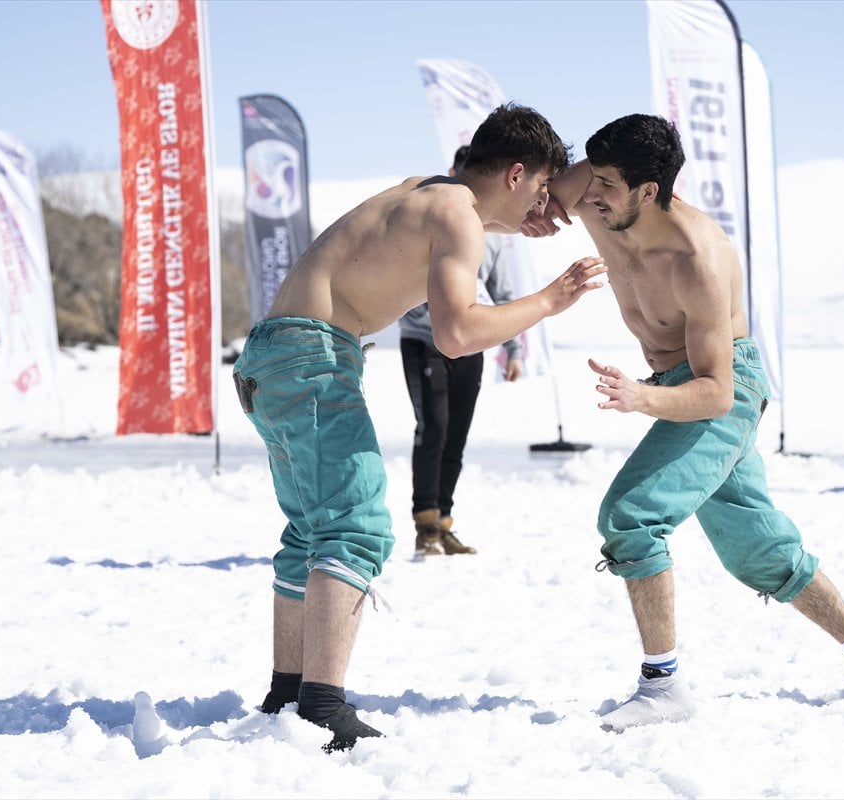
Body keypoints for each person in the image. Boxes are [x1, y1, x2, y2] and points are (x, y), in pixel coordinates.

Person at [232, 103, 606, 752]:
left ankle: (288, 692)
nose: (545, 203)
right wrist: (549, 300)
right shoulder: (459, 218)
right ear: (516, 173)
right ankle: (320, 704)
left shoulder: (428, 192)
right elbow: (456, 334)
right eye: (542, 188)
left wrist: (518, 219)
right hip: (312, 360)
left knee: (311, 532)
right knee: (354, 528)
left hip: (272, 357)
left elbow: (471, 221)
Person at [521, 114, 844, 732]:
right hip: (679, 385)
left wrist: (642, 398)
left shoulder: (697, 258)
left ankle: (663, 686)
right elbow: (537, 200)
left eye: (606, 185)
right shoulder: (598, 190)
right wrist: (528, 213)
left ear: (649, 190)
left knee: (631, 517)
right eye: (590, 177)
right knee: (756, 549)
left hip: (722, 387)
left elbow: (716, 392)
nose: (588, 194)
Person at [400, 145, 524, 558]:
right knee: (433, 427)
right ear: (453, 171)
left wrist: (514, 349)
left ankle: (444, 523)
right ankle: (425, 525)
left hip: (471, 342)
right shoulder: (431, 220)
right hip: (425, 341)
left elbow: (502, 291)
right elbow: (400, 279)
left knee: (456, 434)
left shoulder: (492, 235)